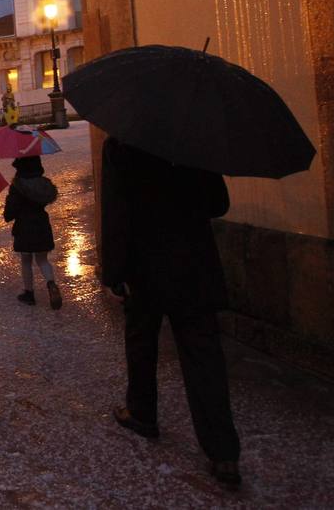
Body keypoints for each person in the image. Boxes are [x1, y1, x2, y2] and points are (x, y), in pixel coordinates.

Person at [101, 136, 242, 490]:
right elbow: (217, 203)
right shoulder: (190, 138)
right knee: (203, 354)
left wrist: (115, 273)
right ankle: (223, 452)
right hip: (193, 264)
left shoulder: (122, 142)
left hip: (144, 266)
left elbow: (116, 212)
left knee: (141, 340)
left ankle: (142, 412)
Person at [4, 155, 62, 309]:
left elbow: (10, 212)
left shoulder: (18, 186)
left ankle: (29, 293)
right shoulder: (43, 184)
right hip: (42, 224)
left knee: (26, 260)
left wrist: (8, 212)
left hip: (24, 227)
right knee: (43, 259)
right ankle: (51, 284)